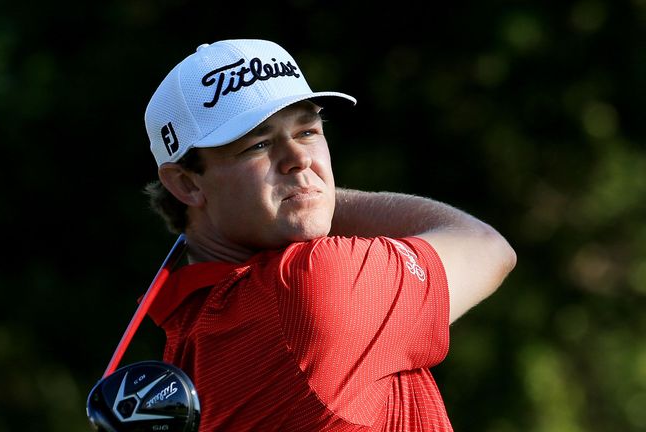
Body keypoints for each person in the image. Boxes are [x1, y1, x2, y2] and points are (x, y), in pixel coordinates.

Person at [141, 39, 516, 431]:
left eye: (307, 132)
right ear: (185, 184)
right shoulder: (307, 283)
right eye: (259, 144)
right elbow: (484, 245)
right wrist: (316, 198)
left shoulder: (183, 339)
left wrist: (296, 197)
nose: (300, 159)